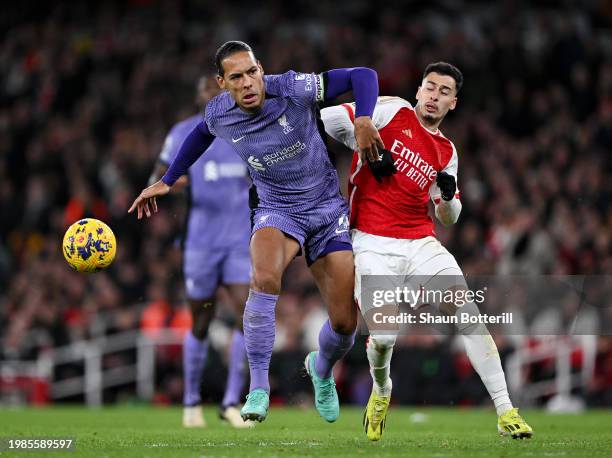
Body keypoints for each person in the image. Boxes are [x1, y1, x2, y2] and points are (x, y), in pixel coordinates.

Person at [129, 40, 384, 423]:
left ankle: (321, 369)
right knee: (263, 280)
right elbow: (200, 134)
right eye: (236, 77)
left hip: (327, 210)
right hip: (276, 210)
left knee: (346, 324)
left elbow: (364, 76)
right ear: (222, 83)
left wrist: (364, 119)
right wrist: (168, 179)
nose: (248, 82)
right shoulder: (220, 112)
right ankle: (258, 388)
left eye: (252, 72)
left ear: (261, 69)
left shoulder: (294, 87)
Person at [321, 62, 533, 440]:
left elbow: (448, 216)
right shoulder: (392, 110)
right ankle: (382, 390)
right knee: (385, 336)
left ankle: (506, 411)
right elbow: (328, 118)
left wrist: (449, 196)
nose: (435, 95)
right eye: (430, 87)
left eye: (444, 92)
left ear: (454, 103)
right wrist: (365, 134)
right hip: (372, 241)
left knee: (470, 317)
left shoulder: (446, 151)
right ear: (419, 91)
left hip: (421, 243)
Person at [149, 76, 253, 428]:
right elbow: (159, 174)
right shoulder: (182, 133)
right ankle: (191, 402)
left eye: (217, 93)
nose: (211, 98)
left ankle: (230, 402)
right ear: (198, 99)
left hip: (239, 241)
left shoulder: (245, 130)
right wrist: (187, 180)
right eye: (204, 93)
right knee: (201, 322)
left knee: (246, 318)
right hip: (200, 245)